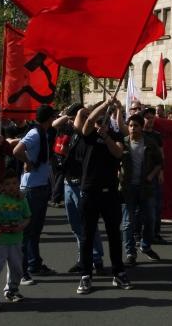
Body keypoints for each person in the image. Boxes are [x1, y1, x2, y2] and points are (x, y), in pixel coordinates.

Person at [76, 98, 131, 294]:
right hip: (89, 191)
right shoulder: (88, 134)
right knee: (87, 236)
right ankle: (85, 275)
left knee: (114, 234)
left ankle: (118, 272)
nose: (100, 123)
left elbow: (118, 153)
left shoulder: (115, 134)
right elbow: (88, 120)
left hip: (110, 193)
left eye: (104, 120)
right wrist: (105, 104)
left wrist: (107, 137)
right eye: (99, 120)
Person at [58, 104, 105, 274]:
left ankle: (96, 258)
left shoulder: (87, 134)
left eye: (73, 118)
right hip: (68, 183)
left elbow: (81, 125)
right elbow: (56, 125)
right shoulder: (70, 133)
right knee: (76, 225)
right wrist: (69, 116)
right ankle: (83, 258)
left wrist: (82, 113)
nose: (70, 122)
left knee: (87, 224)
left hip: (81, 185)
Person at [13, 105, 56, 285]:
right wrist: (28, 162)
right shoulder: (35, 133)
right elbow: (17, 150)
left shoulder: (43, 133)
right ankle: (21, 272)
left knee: (36, 231)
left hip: (41, 186)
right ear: (48, 118)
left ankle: (34, 263)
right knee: (27, 231)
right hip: (31, 188)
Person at [120, 113, 163, 267]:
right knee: (127, 223)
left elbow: (159, 162)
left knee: (150, 219)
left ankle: (145, 246)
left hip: (146, 187)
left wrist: (151, 176)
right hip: (128, 188)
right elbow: (115, 160)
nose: (132, 129)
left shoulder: (150, 143)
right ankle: (130, 252)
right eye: (130, 126)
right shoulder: (123, 143)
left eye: (135, 126)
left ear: (141, 127)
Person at [0, 169, 30, 309]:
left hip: (16, 239)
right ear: (2, 186)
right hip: (0, 241)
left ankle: (12, 290)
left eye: (15, 183)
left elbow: (27, 217)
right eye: (8, 184)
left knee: (17, 268)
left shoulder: (22, 199)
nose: (11, 186)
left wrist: (21, 226)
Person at [143, 107, 166, 244]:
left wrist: (161, 172)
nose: (150, 120)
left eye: (152, 117)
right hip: (141, 175)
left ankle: (155, 234)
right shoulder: (139, 134)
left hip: (154, 175)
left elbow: (162, 156)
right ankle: (139, 234)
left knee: (156, 206)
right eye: (147, 117)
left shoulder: (157, 136)